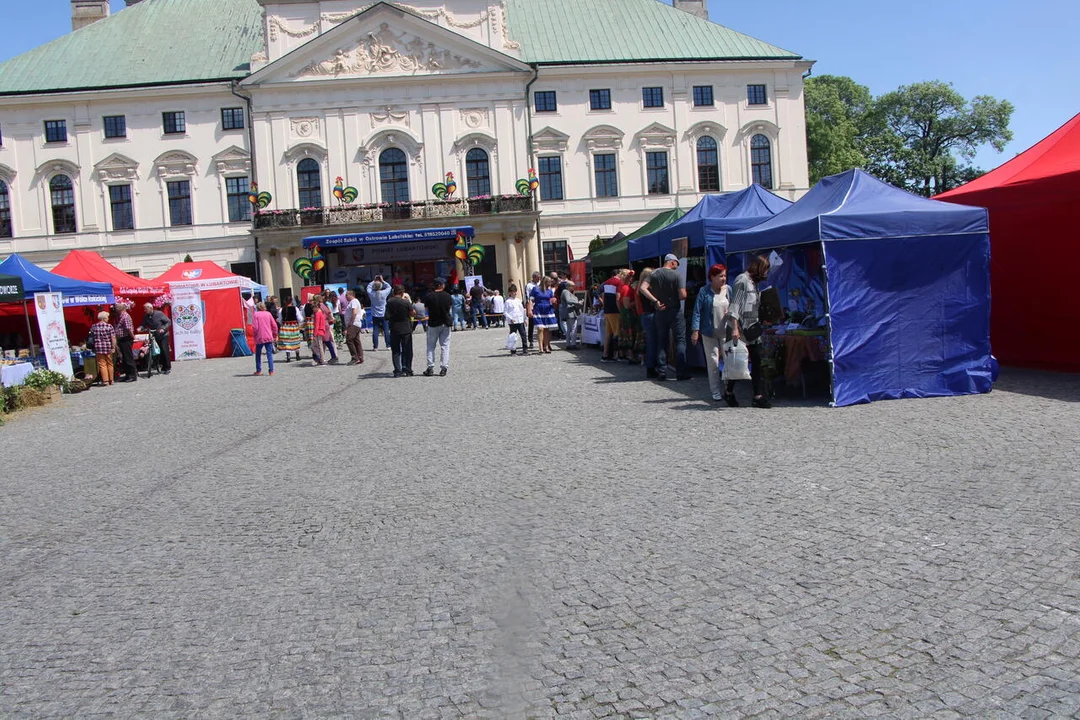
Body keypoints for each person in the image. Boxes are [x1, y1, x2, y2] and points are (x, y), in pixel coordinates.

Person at [728, 254, 772, 408]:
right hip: (741, 328)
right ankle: (728, 391)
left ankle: (758, 395)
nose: (766, 273)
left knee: (757, 360)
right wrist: (734, 328)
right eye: (765, 270)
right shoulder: (742, 280)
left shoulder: (755, 283)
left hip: (753, 329)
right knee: (738, 362)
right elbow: (735, 305)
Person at [639, 254, 688, 381]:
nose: (677, 267)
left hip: (660, 311)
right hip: (675, 311)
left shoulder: (654, 274)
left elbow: (642, 288)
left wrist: (655, 301)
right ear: (671, 262)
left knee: (662, 341)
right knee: (680, 341)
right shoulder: (677, 275)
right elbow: (682, 295)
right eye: (676, 264)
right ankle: (681, 372)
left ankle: (662, 371)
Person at [690, 264, 731, 402]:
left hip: (726, 332)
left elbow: (736, 308)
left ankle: (728, 388)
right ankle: (715, 390)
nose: (723, 278)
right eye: (720, 276)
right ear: (712, 277)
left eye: (725, 275)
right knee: (713, 361)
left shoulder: (729, 290)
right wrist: (695, 330)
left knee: (728, 360)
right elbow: (697, 311)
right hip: (709, 331)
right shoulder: (704, 291)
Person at [422, 277, 453, 376]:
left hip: (433, 323)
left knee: (431, 346)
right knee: (445, 346)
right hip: (445, 322)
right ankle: (444, 367)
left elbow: (426, 309)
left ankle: (430, 367)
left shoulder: (429, 296)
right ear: (441, 285)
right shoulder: (448, 296)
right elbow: (449, 308)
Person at [385, 284, 415, 377]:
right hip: (405, 327)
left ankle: (397, 370)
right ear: (402, 292)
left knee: (396, 350)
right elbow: (412, 314)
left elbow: (386, 316)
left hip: (394, 328)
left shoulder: (389, 302)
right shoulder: (406, 302)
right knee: (407, 350)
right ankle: (407, 369)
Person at [599, 269, 626, 363]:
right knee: (617, 332)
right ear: (619, 274)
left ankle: (605, 355)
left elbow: (602, 295)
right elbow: (618, 298)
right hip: (614, 310)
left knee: (608, 333)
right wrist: (620, 311)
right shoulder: (618, 282)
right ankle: (617, 355)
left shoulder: (606, 282)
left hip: (607, 310)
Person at [138, 301, 171, 375]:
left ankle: (167, 367)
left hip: (163, 335)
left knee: (164, 350)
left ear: (150, 308)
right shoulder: (146, 316)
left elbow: (168, 322)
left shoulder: (159, 314)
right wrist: (140, 328)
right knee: (157, 351)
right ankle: (161, 365)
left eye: (145, 309)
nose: (144, 310)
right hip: (154, 335)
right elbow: (143, 324)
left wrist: (163, 328)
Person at [636, 268, 657, 377]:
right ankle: (651, 367)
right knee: (653, 343)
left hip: (644, 315)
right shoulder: (648, 290)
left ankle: (650, 366)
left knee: (650, 342)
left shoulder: (639, 288)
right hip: (650, 315)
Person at [529, 277, 559, 354]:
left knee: (547, 329)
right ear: (545, 282)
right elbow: (531, 300)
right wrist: (529, 310)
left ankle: (546, 346)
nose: (550, 284)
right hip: (538, 309)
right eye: (549, 282)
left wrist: (554, 301)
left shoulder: (549, 291)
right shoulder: (535, 289)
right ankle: (540, 347)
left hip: (548, 309)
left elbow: (552, 299)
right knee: (540, 328)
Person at [89, 311, 117, 386]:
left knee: (102, 364)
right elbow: (113, 338)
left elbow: (91, 337)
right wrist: (113, 347)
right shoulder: (109, 326)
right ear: (104, 318)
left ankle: (105, 381)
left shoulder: (94, 326)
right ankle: (111, 380)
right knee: (110, 363)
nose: (108, 319)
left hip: (98, 347)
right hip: (108, 346)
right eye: (107, 317)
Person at [113, 300, 137, 382]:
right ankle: (127, 375)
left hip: (126, 338)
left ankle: (133, 375)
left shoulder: (125, 316)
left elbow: (129, 328)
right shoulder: (120, 316)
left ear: (120, 309)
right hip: (121, 339)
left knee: (128, 357)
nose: (115, 309)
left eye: (116, 308)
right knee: (124, 358)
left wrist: (133, 337)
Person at [366, 276, 393, 350]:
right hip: (383, 313)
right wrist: (383, 280)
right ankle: (388, 345)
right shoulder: (383, 293)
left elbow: (368, 287)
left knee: (375, 330)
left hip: (375, 314)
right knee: (386, 330)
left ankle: (375, 347)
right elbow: (389, 287)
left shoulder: (371, 293)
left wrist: (373, 280)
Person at [252, 301, 278, 376]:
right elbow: (274, 325)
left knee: (258, 354)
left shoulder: (256, 315)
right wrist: (275, 334)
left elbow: (255, 327)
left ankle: (259, 370)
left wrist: (254, 335)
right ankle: (271, 370)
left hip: (259, 337)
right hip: (268, 336)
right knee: (269, 354)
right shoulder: (268, 314)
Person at [504, 285, 528, 355]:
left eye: (515, 292)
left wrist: (524, 319)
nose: (514, 293)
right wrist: (510, 318)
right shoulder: (508, 301)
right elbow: (505, 312)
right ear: (510, 293)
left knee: (523, 335)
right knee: (513, 336)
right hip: (512, 321)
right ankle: (513, 350)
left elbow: (522, 310)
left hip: (520, 320)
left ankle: (525, 349)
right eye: (513, 292)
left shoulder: (518, 300)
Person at [344, 289, 365, 365]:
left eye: (347, 295)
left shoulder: (354, 301)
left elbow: (354, 312)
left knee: (349, 339)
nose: (346, 297)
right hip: (355, 323)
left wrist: (350, 322)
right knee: (356, 340)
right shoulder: (352, 302)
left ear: (351, 295)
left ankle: (355, 357)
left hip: (354, 323)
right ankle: (360, 357)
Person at [278, 297, 303, 362]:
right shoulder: (295, 308)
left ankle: (288, 357)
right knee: (295, 340)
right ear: (291, 301)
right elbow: (299, 318)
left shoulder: (281, 309)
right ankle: (297, 355)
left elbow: (280, 319)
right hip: (293, 327)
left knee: (287, 342)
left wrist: (283, 324)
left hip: (285, 327)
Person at [560, 280, 583, 348]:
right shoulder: (566, 291)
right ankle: (573, 344)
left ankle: (568, 344)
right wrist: (578, 302)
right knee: (573, 328)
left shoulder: (566, 292)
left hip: (570, 312)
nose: (574, 287)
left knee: (569, 329)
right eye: (573, 286)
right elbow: (568, 300)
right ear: (569, 286)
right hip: (570, 313)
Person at [310, 296, 330, 366]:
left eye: (313, 308)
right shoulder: (321, 312)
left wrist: (314, 334)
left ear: (316, 307)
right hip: (321, 331)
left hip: (318, 332)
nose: (312, 310)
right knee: (319, 346)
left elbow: (317, 324)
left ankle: (321, 359)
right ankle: (321, 359)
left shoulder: (317, 314)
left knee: (317, 346)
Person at [525, 271, 541, 348]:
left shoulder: (540, 284)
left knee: (541, 323)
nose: (539, 279)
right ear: (534, 277)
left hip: (540, 305)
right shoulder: (529, 285)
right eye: (538, 278)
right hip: (532, 305)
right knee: (531, 324)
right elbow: (528, 297)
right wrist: (529, 308)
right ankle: (530, 340)